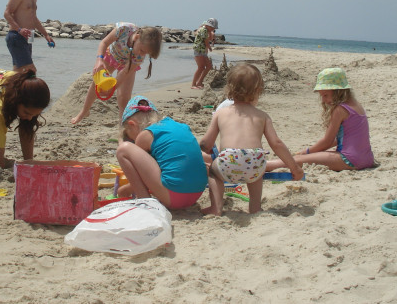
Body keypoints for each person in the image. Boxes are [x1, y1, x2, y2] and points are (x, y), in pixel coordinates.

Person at [199, 63, 303, 216]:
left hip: (228, 162)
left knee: (213, 172)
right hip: (255, 163)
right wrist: (294, 168)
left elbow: (206, 143)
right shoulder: (263, 116)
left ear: (228, 89)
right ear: (258, 91)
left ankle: (216, 207)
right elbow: (276, 144)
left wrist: (205, 149)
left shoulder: (221, 113)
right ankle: (255, 208)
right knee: (257, 174)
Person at [266, 67, 375, 173]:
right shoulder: (356, 105)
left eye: (325, 95)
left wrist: (305, 152)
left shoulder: (340, 110)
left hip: (350, 160)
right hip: (367, 159)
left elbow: (327, 142)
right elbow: (342, 139)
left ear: (338, 92)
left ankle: (265, 165)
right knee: (310, 156)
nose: (323, 100)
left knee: (297, 160)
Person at [116, 96, 208, 210]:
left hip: (174, 196)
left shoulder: (144, 136)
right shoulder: (180, 126)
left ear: (132, 125)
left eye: (131, 137)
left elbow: (143, 176)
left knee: (123, 149)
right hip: (196, 194)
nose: (134, 141)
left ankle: (145, 201)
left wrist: (125, 190)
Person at [70, 23, 162, 125]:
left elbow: (125, 73)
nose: (142, 54)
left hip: (127, 65)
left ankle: (123, 124)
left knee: (124, 97)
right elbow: (104, 42)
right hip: (112, 55)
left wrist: (112, 89)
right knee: (97, 83)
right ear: (137, 37)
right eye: (141, 50)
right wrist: (99, 60)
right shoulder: (124, 29)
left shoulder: (139, 57)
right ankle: (84, 111)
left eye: (145, 53)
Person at [3, 0, 55, 73]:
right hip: (17, 36)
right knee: (30, 70)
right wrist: (19, 29)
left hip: (29, 36)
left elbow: (33, 18)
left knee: (19, 71)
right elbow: (7, 13)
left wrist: (46, 35)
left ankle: (10, 84)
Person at [191, 18, 218, 89]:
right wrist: (209, 47)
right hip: (199, 50)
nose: (213, 29)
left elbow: (209, 39)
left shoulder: (206, 30)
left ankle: (199, 82)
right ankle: (193, 84)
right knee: (201, 67)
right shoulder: (203, 30)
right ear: (208, 25)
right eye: (212, 28)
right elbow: (206, 41)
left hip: (202, 50)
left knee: (209, 66)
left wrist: (210, 33)